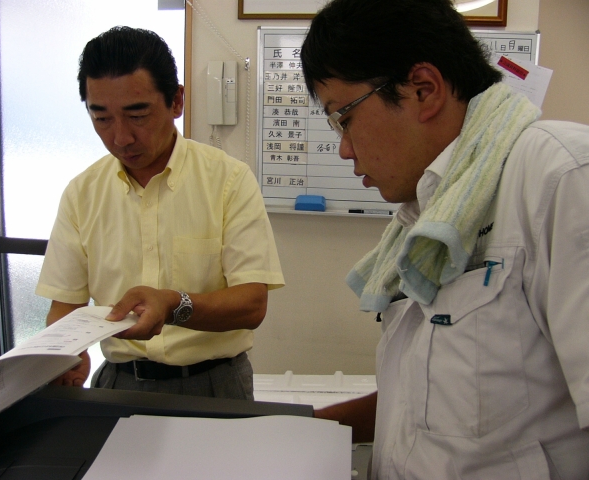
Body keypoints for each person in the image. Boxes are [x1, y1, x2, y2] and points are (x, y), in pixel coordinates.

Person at [301, 0, 589, 477]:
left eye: (343, 118)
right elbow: (428, 407)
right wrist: (303, 428)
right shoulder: (429, 213)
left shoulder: (561, 179)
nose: (344, 149)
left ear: (423, 89)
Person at [35, 26, 284, 400]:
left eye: (137, 114)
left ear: (176, 101)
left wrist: (173, 305)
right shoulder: (82, 193)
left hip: (215, 384)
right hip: (118, 382)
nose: (121, 137)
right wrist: (66, 354)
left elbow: (251, 304)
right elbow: (64, 304)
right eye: (101, 118)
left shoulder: (228, 180)